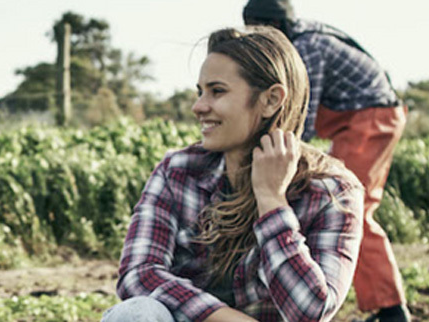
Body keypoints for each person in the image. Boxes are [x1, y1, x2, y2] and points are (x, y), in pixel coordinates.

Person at [105, 27, 364, 322]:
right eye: (200, 92)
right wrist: (224, 317)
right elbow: (138, 274)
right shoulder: (177, 171)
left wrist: (272, 200)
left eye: (217, 91)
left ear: (270, 100)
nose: (199, 106)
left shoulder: (333, 191)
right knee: (136, 313)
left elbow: (310, 313)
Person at [242, 1, 411, 321]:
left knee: (349, 208)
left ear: (278, 27)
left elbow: (300, 116)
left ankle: (392, 311)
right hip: (352, 118)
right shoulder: (299, 39)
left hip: (371, 117)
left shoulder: (307, 49)